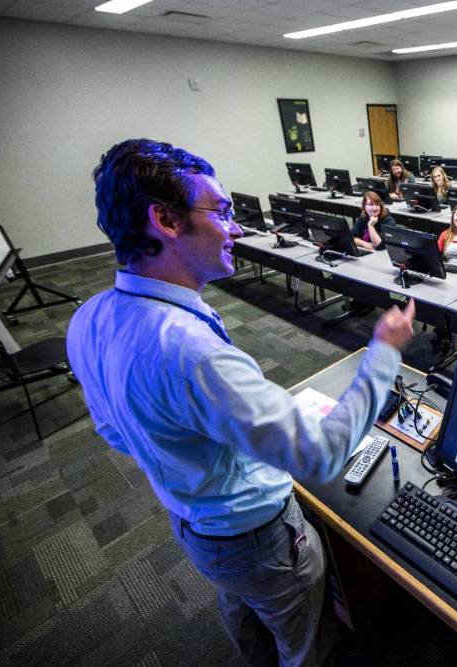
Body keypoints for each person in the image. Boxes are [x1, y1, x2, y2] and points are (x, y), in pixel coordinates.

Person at [67, 138, 416, 666]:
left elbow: (113, 430)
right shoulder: (193, 356)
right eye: (221, 211)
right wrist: (384, 352)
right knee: (305, 642)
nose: (235, 227)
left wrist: (187, 459)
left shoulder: (90, 317)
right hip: (257, 537)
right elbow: (322, 455)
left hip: (194, 525)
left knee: (242, 609)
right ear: (165, 219)